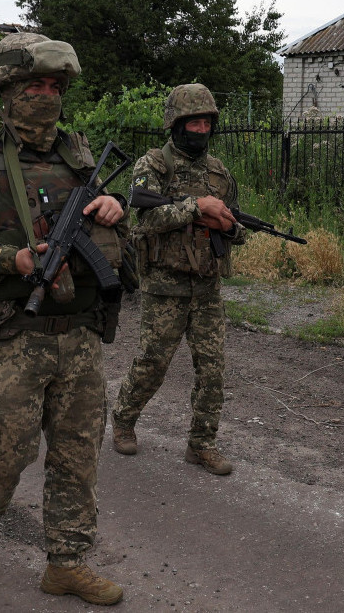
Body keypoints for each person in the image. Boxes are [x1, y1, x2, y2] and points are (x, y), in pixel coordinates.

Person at [0, 32, 126, 606]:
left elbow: (112, 236)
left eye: (53, 86)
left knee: (77, 456)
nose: (45, 96)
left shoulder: (79, 154)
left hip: (80, 334)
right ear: (6, 91)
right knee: (4, 454)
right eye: (32, 85)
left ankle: (66, 562)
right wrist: (6, 257)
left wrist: (112, 214)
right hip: (15, 333)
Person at [112, 83, 246, 475]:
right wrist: (195, 207)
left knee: (212, 369)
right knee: (153, 362)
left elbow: (236, 225)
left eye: (207, 122)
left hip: (206, 286)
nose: (201, 129)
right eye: (194, 122)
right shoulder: (153, 165)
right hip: (165, 286)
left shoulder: (219, 173)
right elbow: (147, 217)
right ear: (176, 124)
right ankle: (123, 420)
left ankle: (201, 444)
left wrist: (230, 227)